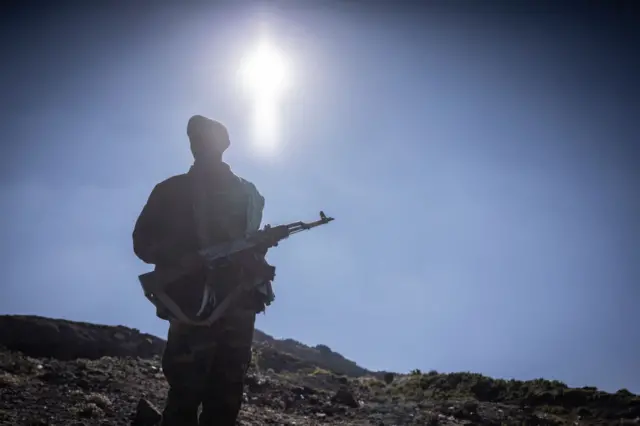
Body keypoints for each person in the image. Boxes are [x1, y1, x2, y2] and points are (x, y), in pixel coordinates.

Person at [132, 115, 273, 426]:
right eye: (197, 139)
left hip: (237, 301)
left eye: (208, 139)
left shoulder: (248, 194)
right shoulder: (171, 191)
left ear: (224, 145)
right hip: (191, 303)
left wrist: (257, 253)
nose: (202, 145)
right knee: (185, 392)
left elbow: (250, 241)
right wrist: (183, 258)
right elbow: (142, 243)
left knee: (226, 396)